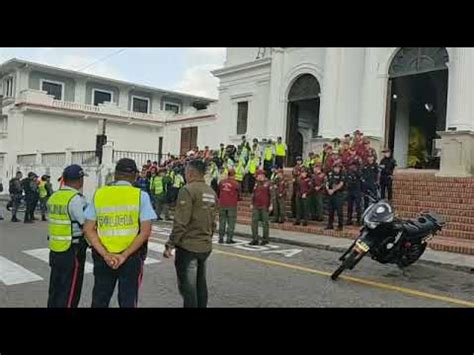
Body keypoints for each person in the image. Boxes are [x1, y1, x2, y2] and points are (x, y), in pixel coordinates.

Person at [84, 158, 156, 308]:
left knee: (99, 299)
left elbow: (88, 229)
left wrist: (105, 254)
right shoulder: (141, 196)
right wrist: (123, 255)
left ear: (115, 175)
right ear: (135, 176)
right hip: (130, 257)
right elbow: (145, 232)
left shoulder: (99, 194)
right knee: (128, 301)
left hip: (104, 257)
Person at [163, 159, 217, 308]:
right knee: (200, 285)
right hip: (205, 246)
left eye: (186, 172)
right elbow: (213, 222)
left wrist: (170, 244)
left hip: (188, 247)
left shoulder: (187, 190)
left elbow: (181, 222)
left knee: (188, 289)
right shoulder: (211, 192)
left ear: (191, 173)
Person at [46, 165, 88, 308]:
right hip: (72, 251)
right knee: (70, 292)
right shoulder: (76, 199)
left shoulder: (54, 197)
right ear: (80, 180)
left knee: (55, 290)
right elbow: (86, 225)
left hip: (55, 249)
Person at [217, 168, 240, 244]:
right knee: (231, 222)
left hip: (222, 204)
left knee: (222, 221)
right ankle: (229, 239)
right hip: (232, 205)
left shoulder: (221, 182)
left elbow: (218, 191)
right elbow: (239, 195)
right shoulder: (236, 184)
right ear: (234, 175)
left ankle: (220, 238)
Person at [250, 170, 271, 245]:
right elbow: (253, 194)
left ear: (263, 176)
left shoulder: (268, 183)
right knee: (254, 222)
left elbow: (272, 195)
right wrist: (252, 203)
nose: (257, 177)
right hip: (256, 205)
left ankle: (265, 239)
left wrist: (271, 205)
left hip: (264, 205)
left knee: (265, 223)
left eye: (258, 176)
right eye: (257, 176)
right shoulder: (256, 184)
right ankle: (255, 238)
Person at [325, 163, 345, 231]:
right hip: (330, 194)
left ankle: (340, 226)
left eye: (338, 168)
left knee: (339, 211)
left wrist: (333, 190)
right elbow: (327, 182)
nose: (336, 169)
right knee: (330, 210)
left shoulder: (342, 174)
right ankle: (330, 224)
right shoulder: (330, 174)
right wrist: (328, 189)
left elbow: (341, 184)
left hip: (338, 194)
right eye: (335, 167)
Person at [346, 161, 363, 226]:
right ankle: (349, 220)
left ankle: (358, 220)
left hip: (357, 190)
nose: (352, 167)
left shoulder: (359, 172)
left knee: (358, 206)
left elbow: (360, 177)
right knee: (349, 206)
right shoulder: (348, 172)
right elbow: (347, 180)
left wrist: (356, 171)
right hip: (350, 190)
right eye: (351, 165)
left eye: (353, 166)